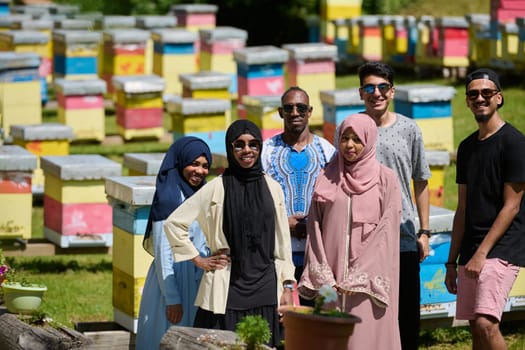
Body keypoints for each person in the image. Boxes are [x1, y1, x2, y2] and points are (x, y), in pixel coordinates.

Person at [163, 119, 296, 348]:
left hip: (265, 290)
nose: (247, 150)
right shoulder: (216, 186)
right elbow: (174, 223)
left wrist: (287, 286)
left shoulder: (273, 188)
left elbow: (283, 244)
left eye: (253, 145)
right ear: (229, 147)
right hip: (226, 292)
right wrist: (199, 260)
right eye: (239, 145)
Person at [298, 113, 402, 349]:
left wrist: (357, 277)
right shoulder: (326, 177)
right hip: (331, 281)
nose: (350, 145)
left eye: (357, 139)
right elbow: (314, 228)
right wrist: (324, 275)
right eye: (345, 138)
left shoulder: (386, 179)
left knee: (365, 339)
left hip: (368, 284)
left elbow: (386, 234)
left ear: (369, 141)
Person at [444, 68, 525, 349]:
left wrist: (481, 254)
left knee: (486, 323)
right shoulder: (467, 147)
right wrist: (451, 262)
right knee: (474, 326)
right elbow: (462, 207)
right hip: (471, 249)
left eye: (486, 93)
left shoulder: (514, 143)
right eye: (473, 94)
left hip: (502, 246)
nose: (480, 98)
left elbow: (511, 207)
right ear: (467, 101)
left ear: (499, 98)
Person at [358, 61, 432, 350]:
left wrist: (424, 231)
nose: (375, 93)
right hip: (362, 238)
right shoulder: (352, 129)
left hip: (402, 236)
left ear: (392, 91)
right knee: (369, 311)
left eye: (382, 87)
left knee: (406, 313)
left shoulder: (409, 129)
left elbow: (421, 181)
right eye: (369, 87)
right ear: (360, 92)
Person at [136, 137, 213, 350]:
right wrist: (172, 299)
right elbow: (163, 253)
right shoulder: (170, 198)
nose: (200, 171)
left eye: (205, 166)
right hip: (173, 282)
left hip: (196, 280)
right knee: (167, 338)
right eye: (194, 164)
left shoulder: (200, 194)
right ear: (179, 163)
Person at [261, 86, 335, 302]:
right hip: (277, 251)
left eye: (301, 108)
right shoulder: (266, 151)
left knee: (316, 319)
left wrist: (313, 224)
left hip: (319, 252)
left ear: (310, 111)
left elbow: (336, 199)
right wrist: (283, 223)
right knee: (282, 317)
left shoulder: (327, 151)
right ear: (280, 112)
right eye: (289, 108)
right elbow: (257, 197)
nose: (295, 113)